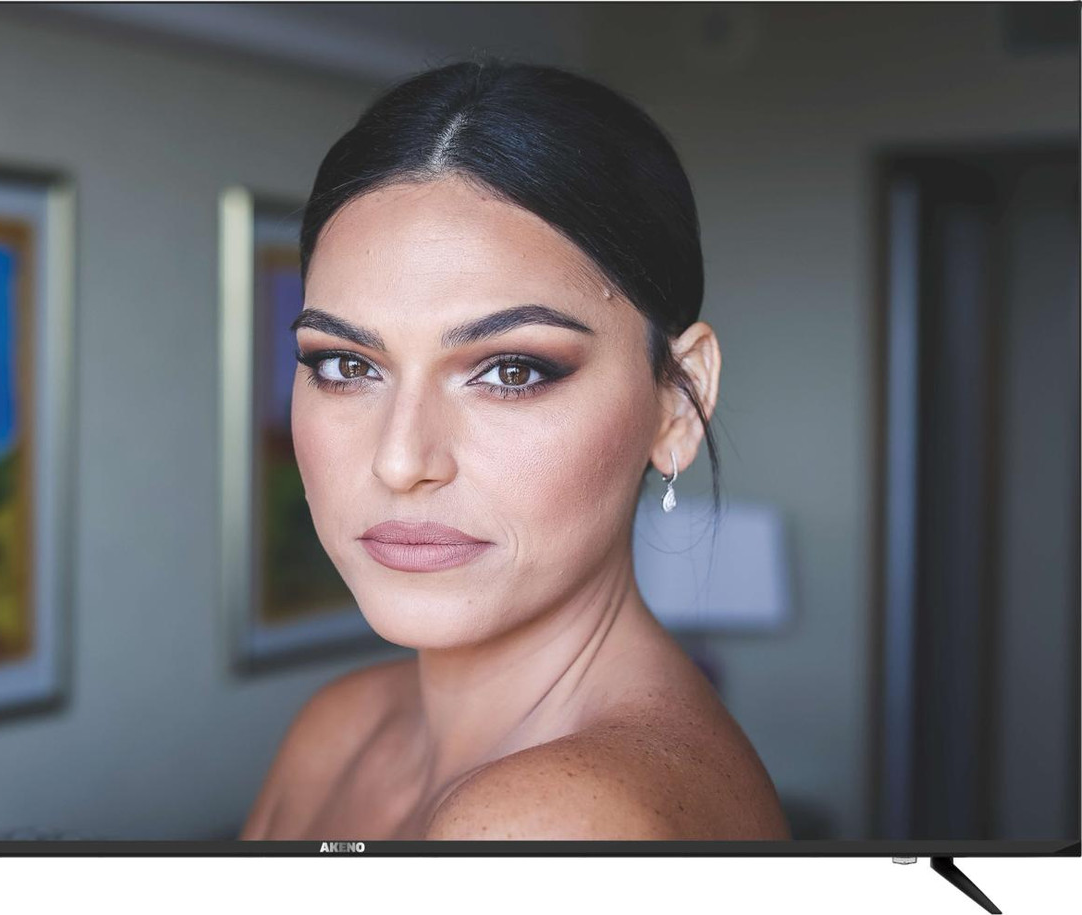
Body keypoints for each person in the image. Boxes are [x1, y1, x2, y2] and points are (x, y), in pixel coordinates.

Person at [240, 58, 790, 841]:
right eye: (347, 366)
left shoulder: (556, 821)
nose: (401, 460)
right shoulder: (339, 730)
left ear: (677, 398)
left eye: (510, 371)